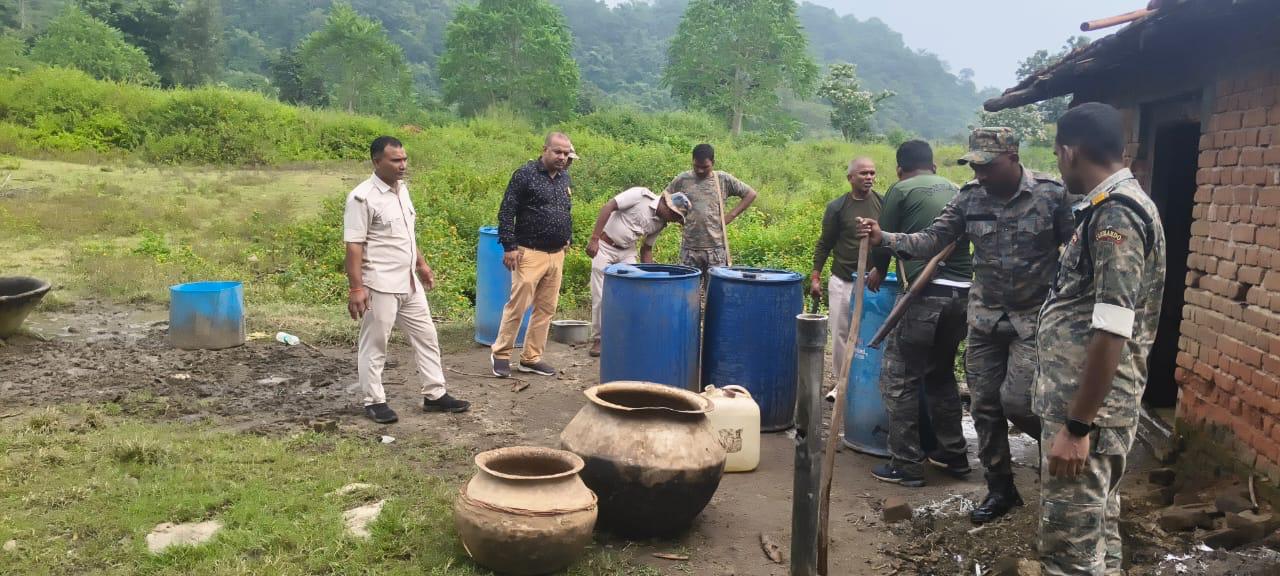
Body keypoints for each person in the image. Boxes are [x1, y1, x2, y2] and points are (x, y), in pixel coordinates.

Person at [857, 127, 1077, 524]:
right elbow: (930, 239)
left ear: (1012, 157)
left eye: (987, 165)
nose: (981, 173)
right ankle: (1001, 489)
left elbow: (1077, 250)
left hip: (1033, 319)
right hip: (984, 320)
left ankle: (1063, 448)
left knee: (1019, 401)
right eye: (974, 165)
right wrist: (883, 237)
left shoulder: (1052, 194)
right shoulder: (969, 198)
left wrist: (1068, 302)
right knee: (984, 406)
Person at [1035, 102, 1164, 575]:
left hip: (1090, 414)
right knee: (1097, 536)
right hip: (1093, 410)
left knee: (1069, 551)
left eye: (1055, 153)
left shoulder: (1116, 216)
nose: (1057, 163)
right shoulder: (1108, 208)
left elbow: (1113, 326)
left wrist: (1077, 426)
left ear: (1070, 152)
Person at [867, 140, 974, 487]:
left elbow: (882, 238)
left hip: (925, 295)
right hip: (962, 297)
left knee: (899, 379)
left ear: (900, 169)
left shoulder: (899, 189)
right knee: (941, 375)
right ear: (934, 166)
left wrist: (878, 270)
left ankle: (907, 465)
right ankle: (953, 455)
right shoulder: (959, 189)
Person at [344, 136, 470, 424]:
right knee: (376, 344)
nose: (403, 165)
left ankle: (435, 394)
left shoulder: (402, 191)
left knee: (427, 336)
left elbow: (406, 235)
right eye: (395, 160)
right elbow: (354, 246)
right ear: (377, 162)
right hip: (380, 284)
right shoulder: (361, 197)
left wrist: (422, 264)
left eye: (404, 159)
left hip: (408, 282)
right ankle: (374, 401)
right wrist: (356, 288)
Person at [490, 132, 575, 379]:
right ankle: (501, 353)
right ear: (545, 149)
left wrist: (567, 238)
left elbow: (564, 210)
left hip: (556, 253)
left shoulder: (564, 178)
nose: (562, 157)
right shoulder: (525, 175)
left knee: (546, 308)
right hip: (529, 252)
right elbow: (507, 212)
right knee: (518, 305)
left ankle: (531, 358)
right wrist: (509, 247)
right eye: (557, 151)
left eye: (566, 153)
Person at [585, 188, 693, 357]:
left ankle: (623, 335)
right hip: (605, 246)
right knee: (600, 294)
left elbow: (647, 248)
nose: (673, 221)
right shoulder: (640, 196)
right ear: (668, 206)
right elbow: (609, 206)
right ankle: (599, 339)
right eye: (675, 216)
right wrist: (594, 239)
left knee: (632, 291)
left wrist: (649, 277)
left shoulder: (660, 222)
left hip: (627, 252)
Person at [811, 156, 885, 384]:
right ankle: (842, 383)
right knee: (841, 334)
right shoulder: (838, 207)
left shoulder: (883, 204)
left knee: (869, 334)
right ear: (850, 178)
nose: (869, 177)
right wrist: (815, 276)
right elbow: (825, 243)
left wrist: (881, 269)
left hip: (872, 283)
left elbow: (891, 241)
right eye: (864, 173)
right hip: (843, 280)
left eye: (872, 173)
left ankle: (865, 384)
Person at [665, 143, 758, 278]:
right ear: (692, 161)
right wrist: (677, 216)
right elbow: (665, 197)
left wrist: (730, 216)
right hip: (690, 249)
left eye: (705, 167)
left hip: (716, 249)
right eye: (696, 166)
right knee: (688, 292)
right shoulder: (683, 179)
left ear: (713, 162)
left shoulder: (722, 179)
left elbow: (750, 194)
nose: (700, 170)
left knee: (715, 293)